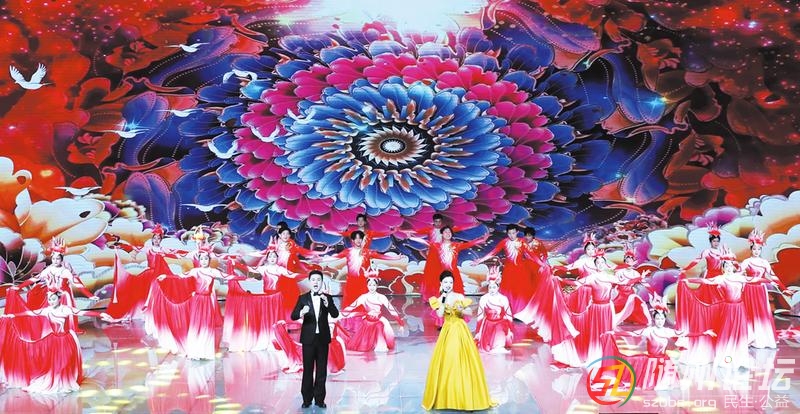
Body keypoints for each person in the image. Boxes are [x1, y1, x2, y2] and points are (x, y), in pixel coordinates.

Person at [0, 291, 113, 393]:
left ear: (59, 299)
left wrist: (100, 314)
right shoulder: (47, 310)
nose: (51, 301)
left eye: (53, 299)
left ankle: (66, 378)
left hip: (66, 339)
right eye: (49, 299)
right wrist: (12, 315)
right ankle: (58, 379)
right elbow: (31, 313)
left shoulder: (65, 309)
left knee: (65, 361)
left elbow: (81, 313)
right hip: (53, 339)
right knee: (55, 362)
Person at [422, 271, 494, 411]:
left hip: (460, 329)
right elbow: (439, 314)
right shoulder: (439, 299)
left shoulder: (459, 296)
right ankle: (448, 397)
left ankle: (464, 397)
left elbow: (470, 312)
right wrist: (443, 299)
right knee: (448, 360)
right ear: (441, 283)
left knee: (462, 360)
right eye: (445, 282)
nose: (448, 284)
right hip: (448, 330)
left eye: (450, 282)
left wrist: (462, 310)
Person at [7, 238, 98, 334]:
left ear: (61, 259)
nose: (55, 261)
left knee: (65, 314)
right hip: (50, 295)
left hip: (63, 295)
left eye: (57, 258)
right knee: (46, 313)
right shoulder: (48, 269)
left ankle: (67, 329)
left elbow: (76, 283)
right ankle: (49, 330)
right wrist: (19, 287)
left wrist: (89, 295)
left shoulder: (65, 270)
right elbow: (35, 279)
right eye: (53, 258)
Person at [291, 270, 340, 409]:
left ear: (322, 282)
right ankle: (306, 399)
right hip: (308, 339)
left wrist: (327, 304)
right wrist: (302, 312)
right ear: (309, 282)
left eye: (318, 279)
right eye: (313, 280)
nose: (316, 282)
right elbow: (293, 316)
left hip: (322, 339)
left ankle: (319, 399)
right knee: (308, 370)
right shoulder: (303, 298)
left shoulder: (327, 297)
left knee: (321, 371)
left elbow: (335, 314)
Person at [107, 224, 177, 320]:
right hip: (149, 274)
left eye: (158, 238)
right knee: (143, 292)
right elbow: (133, 247)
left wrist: (191, 254)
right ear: (152, 239)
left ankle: (157, 311)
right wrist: (120, 246)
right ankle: (144, 311)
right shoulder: (148, 249)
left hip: (159, 274)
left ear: (161, 240)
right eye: (154, 238)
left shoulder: (163, 250)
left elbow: (176, 252)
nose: (156, 240)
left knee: (159, 292)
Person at [339, 277, 405, 352]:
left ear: (377, 286)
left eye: (374, 285)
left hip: (379, 320)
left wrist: (400, 323)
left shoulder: (381, 297)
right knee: (362, 345)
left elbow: (391, 310)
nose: (372, 287)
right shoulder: (364, 297)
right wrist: (340, 314)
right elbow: (352, 307)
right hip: (368, 322)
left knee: (380, 326)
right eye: (370, 285)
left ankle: (380, 344)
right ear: (367, 286)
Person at [474, 224, 530, 313]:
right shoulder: (504, 242)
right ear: (507, 233)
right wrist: (480, 260)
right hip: (509, 270)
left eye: (513, 233)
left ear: (517, 232)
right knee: (508, 290)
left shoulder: (522, 242)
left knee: (520, 290)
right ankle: (508, 310)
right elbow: (493, 252)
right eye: (509, 233)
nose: (511, 235)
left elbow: (530, 255)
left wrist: (541, 263)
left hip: (520, 270)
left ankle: (519, 311)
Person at [474, 267, 513, 354]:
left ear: (498, 287)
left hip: (500, 324)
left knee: (499, 346)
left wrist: (510, 329)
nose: (492, 290)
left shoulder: (503, 299)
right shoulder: (484, 298)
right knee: (487, 348)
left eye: (494, 287)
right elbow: (480, 316)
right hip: (488, 324)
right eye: (490, 287)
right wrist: (478, 331)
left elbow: (508, 315)